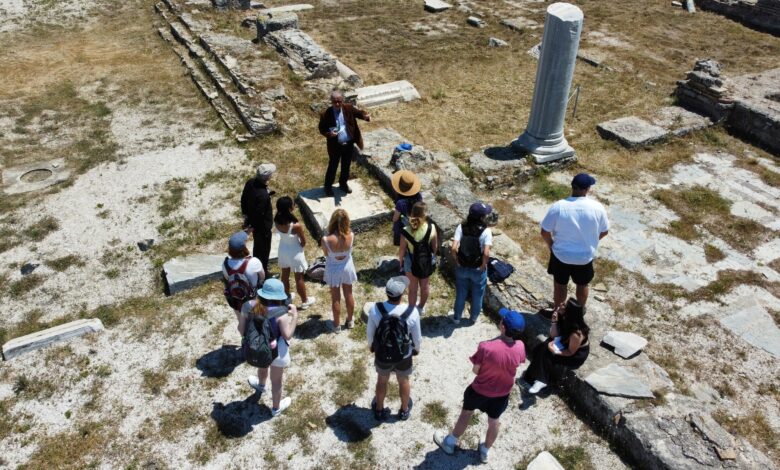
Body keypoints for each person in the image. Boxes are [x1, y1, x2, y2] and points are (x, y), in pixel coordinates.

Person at [433, 308, 526, 463]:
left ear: (503, 327)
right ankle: (485, 451)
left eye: (502, 320)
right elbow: (518, 360)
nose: (500, 320)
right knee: (494, 421)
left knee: (466, 413)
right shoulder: (521, 346)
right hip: (502, 393)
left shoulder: (486, 347)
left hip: (479, 390)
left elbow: (476, 370)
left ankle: (450, 442)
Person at [540, 173, 609, 309]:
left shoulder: (558, 207)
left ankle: (558, 311)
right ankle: (579, 311)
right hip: (584, 256)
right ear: (587, 189)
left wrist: (551, 245)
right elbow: (604, 231)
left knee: (560, 285)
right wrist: (592, 242)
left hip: (561, 255)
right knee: (582, 284)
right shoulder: (598, 208)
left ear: (572, 187)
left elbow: (544, 231)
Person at [366, 276, 422, 421]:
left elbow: (370, 334)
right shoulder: (412, 312)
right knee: (403, 380)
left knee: (382, 380)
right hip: (403, 355)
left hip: (382, 354)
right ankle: (404, 410)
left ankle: (378, 409)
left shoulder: (375, 309)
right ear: (402, 294)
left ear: (387, 293)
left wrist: (372, 347)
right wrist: (416, 349)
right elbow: (417, 338)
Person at [241, 279, 299, 417]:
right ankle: (276, 408)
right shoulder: (281, 314)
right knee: (277, 381)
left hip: (258, 348)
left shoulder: (248, 307)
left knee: (262, 366)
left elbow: (242, 330)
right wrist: (295, 316)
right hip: (277, 352)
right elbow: (287, 335)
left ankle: (261, 386)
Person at [522, 298, 590, 395]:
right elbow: (554, 335)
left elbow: (571, 352)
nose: (561, 303)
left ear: (569, 311)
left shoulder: (577, 333)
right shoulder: (563, 317)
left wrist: (554, 351)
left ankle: (541, 381)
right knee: (542, 347)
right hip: (565, 343)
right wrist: (554, 322)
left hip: (576, 355)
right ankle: (533, 377)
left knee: (548, 355)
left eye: (564, 305)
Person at [318, 91, 371, 196]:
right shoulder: (326, 114)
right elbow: (321, 128)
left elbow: (359, 113)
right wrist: (329, 134)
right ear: (331, 102)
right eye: (335, 102)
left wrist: (365, 116)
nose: (337, 104)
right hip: (335, 145)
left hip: (348, 144)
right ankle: (328, 187)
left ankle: (343, 184)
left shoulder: (348, 108)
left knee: (346, 165)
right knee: (333, 166)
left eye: (339, 101)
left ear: (342, 101)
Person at [449, 202, 494, 324]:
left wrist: (457, 261)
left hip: (462, 266)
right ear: (481, 217)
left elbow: (453, 248)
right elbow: (486, 253)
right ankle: (473, 318)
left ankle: (457, 317)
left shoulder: (461, 227)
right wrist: (483, 265)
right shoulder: (486, 231)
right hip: (477, 268)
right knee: (477, 295)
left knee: (461, 293)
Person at [274, 196, 316, 310]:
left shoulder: (276, 219)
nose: (294, 205)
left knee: (285, 275)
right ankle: (304, 301)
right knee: (299, 278)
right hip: (294, 252)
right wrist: (300, 247)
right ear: (289, 208)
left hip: (283, 250)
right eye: (292, 204)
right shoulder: (296, 226)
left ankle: (286, 298)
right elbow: (303, 242)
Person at [321, 208, 357, 332]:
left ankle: (336, 326)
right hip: (347, 266)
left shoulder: (326, 239)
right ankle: (350, 320)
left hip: (333, 268)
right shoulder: (351, 235)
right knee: (349, 294)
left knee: (335, 297)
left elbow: (326, 254)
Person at [398, 202, 437, 315]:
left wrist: (400, 261)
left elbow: (402, 250)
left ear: (412, 213)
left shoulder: (406, 230)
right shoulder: (431, 227)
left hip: (410, 260)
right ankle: (420, 307)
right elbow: (435, 248)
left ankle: (411, 311)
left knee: (413, 289)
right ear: (424, 214)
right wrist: (431, 258)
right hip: (425, 260)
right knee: (425, 286)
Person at [222, 231, 265, 332]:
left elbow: (227, 279)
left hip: (236, 299)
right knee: (259, 321)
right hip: (254, 298)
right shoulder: (254, 261)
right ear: (244, 247)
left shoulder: (225, 264)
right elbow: (262, 277)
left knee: (242, 323)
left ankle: (245, 341)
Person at [241, 163, 277, 274]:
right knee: (263, 250)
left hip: (252, 221)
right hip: (262, 226)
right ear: (267, 177)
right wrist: (252, 225)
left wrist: (246, 217)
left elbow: (243, 199)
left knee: (258, 246)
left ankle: (257, 268)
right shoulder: (263, 196)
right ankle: (263, 272)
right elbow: (259, 213)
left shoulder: (250, 182)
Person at [391, 170, 423, 246]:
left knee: (402, 245)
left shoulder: (400, 203)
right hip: (415, 225)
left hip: (402, 228)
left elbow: (395, 219)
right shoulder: (419, 196)